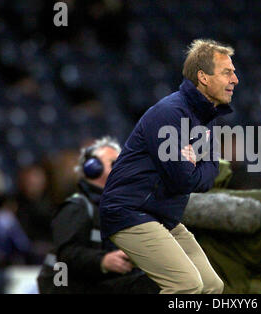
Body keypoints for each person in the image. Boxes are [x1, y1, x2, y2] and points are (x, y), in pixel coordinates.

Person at [99, 39, 239, 294]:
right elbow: (181, 181)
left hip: (163, 215)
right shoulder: (170, 113)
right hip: (130, 211)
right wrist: (197, 167)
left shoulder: (206, 119)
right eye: (227, 72)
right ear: (203, 77)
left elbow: (211, 174)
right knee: (186, 286)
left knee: (211, 286)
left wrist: (195, 164)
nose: (235, 79)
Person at [36, 136, 159, 294]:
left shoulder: (123, 209)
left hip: (104, 282)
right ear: (93, 169)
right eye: (114, 164)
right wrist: (103, 261)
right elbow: (66, 254)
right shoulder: (77, 207)